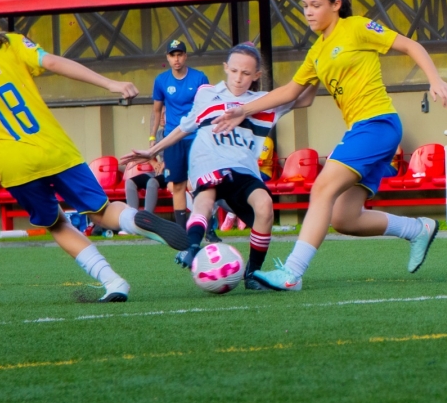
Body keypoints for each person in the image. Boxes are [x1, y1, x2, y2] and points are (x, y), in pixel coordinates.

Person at [0, 0, 188, 302]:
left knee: (57, 223)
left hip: (15, 165)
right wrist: (111, 83)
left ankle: (114, 282)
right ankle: (135, 219)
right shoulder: (9, 44)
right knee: (102, 211)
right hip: (55, 148)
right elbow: (53, 62)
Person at [214, 0, 447, 291]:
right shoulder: (317, 51)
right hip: (363, 130)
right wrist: (243, 110)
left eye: (315, 5)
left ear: (336, 4)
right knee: (344, 218)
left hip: (377, 124)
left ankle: (291, 273)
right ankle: (416, 229)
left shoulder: (356, 27)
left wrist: (435, 80)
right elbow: (290, 91)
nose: (308, 12)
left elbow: (410, 45)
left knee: (321, 189)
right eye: (305, 6)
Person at [123, 43, 316, 290]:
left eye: (246, 73)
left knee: (264, 206)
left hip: (243, 168)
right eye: (234, 71)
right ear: (225, 67)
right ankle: (193, 248)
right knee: (205, 200)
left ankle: (252, 273)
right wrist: (153, 150)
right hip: (210, 161)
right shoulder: (207, 93)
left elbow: (306, 98)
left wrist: (317, 69)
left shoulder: (264, 102)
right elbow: (185, 126)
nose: (238, 78)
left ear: (256, 75)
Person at [150, 39, 210, 229]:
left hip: (196, 137)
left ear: (185, 56)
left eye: (179, 55)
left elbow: (208, 109)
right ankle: (182, 231)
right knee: (177, 185)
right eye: (172, 55)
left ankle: (208, 229)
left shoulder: (199, 78)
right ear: (167, 58)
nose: (176, 59)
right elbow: (157, 111)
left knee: (203, 184)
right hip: (172, 139)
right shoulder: (161, 80)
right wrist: (152, 138)